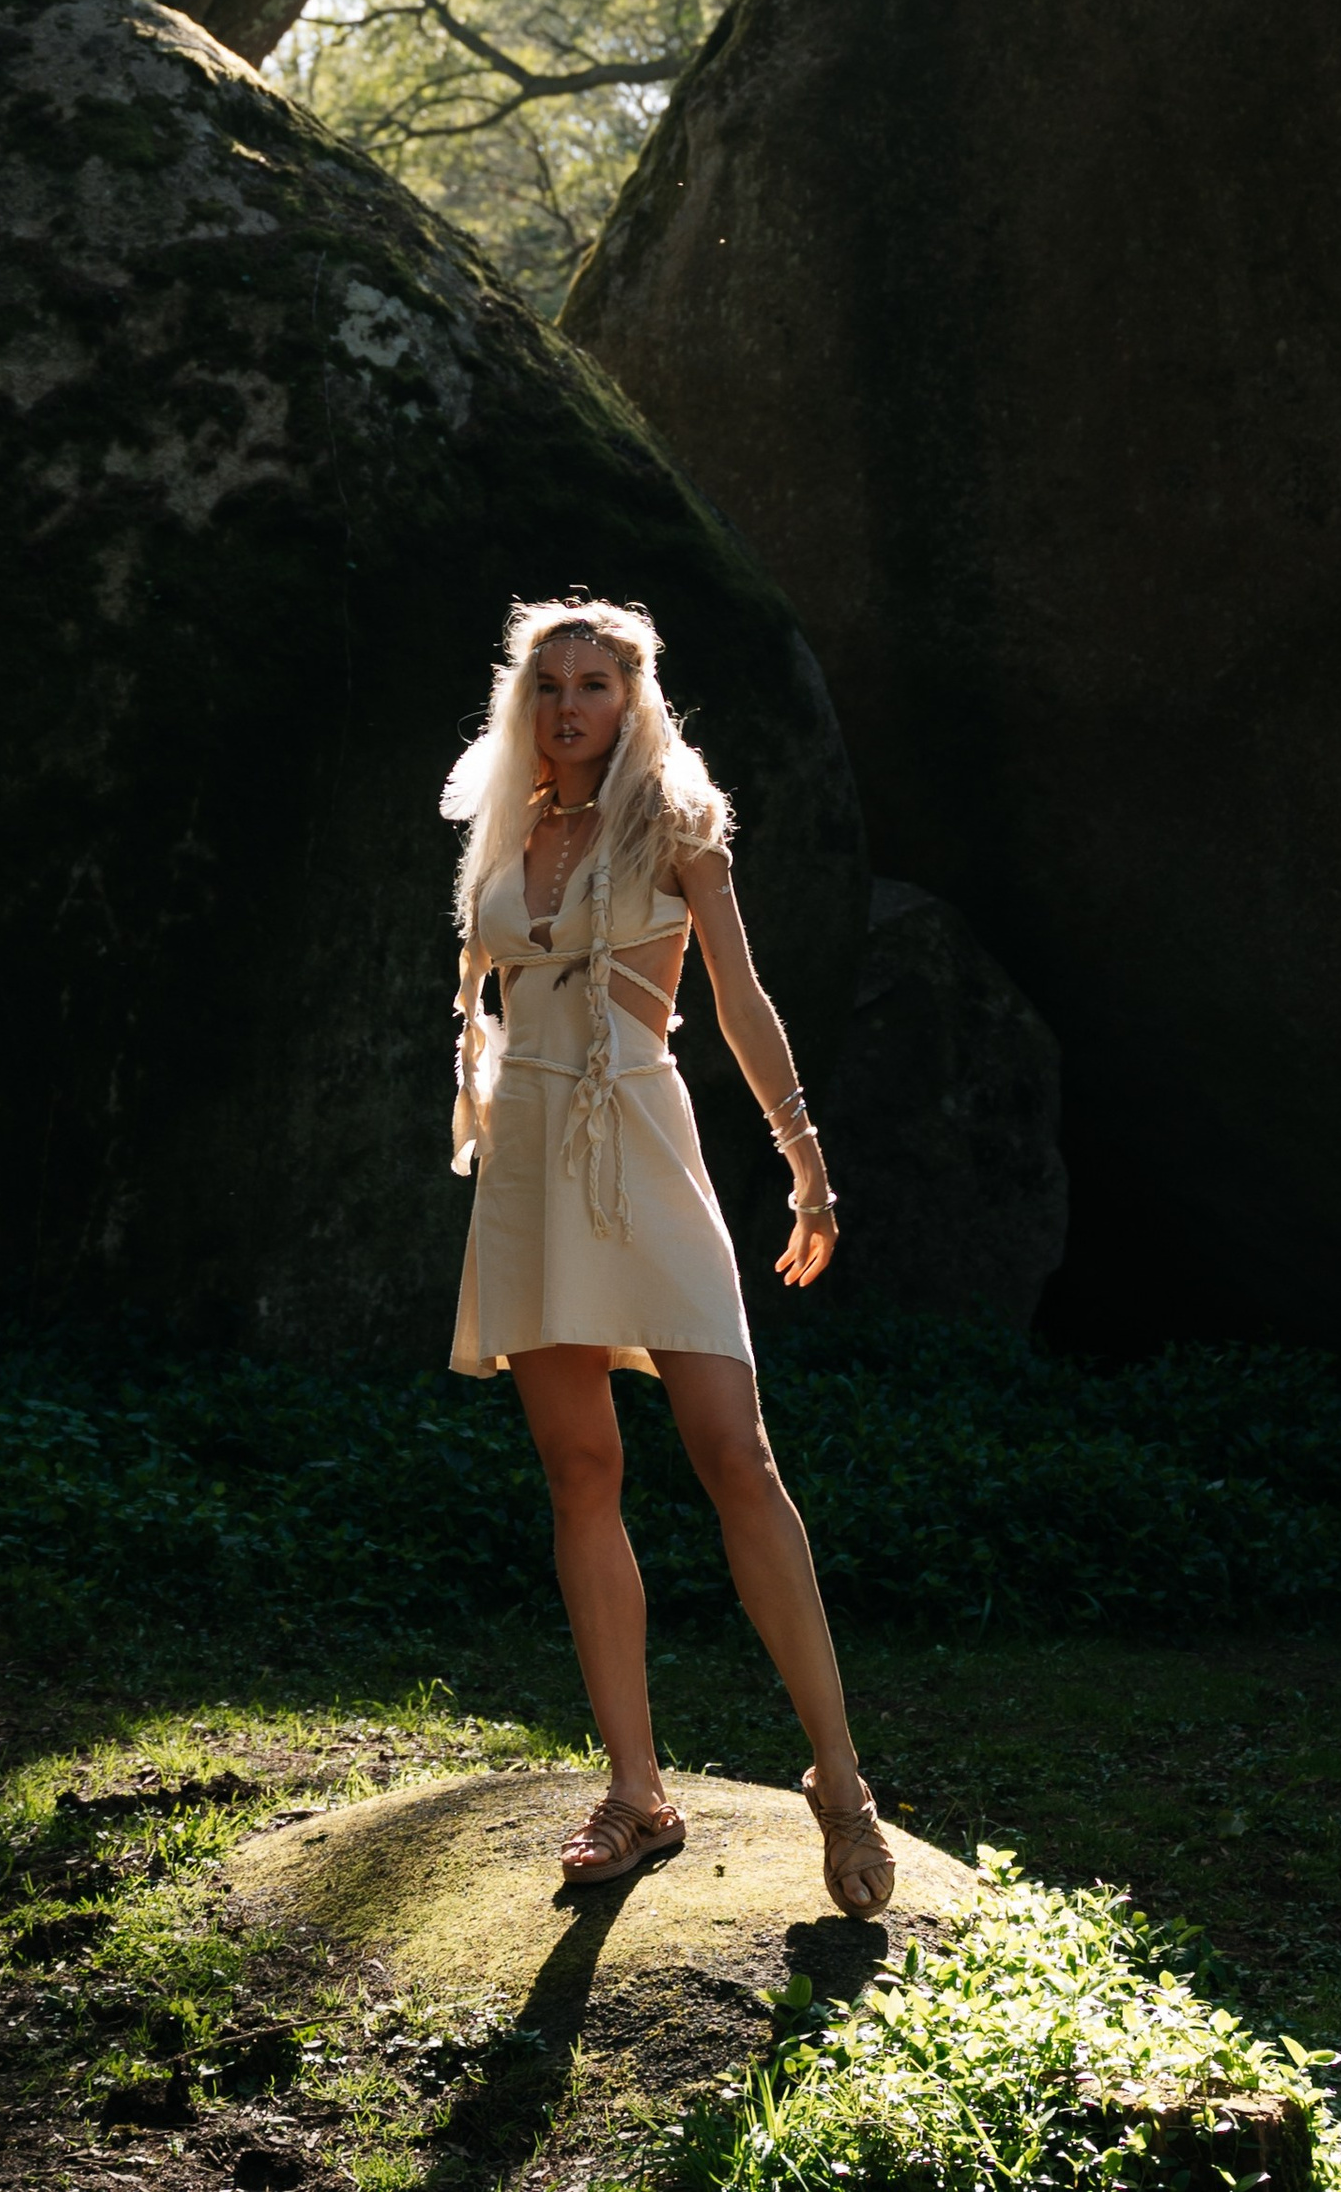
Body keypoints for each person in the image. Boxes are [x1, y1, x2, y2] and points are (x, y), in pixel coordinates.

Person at [445, 591, 895, 1917]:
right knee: (580, 1466)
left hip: (641, 1129)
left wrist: (804, 1158)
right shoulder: (504, 839)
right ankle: (637, 1791)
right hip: (531, 1149)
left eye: (597, 685)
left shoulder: (677, 826)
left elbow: (741, 997)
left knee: (734, 1452)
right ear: (527, 703)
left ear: (633, 703)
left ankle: (841, 1778)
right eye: (553, 685)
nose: (573, 705)